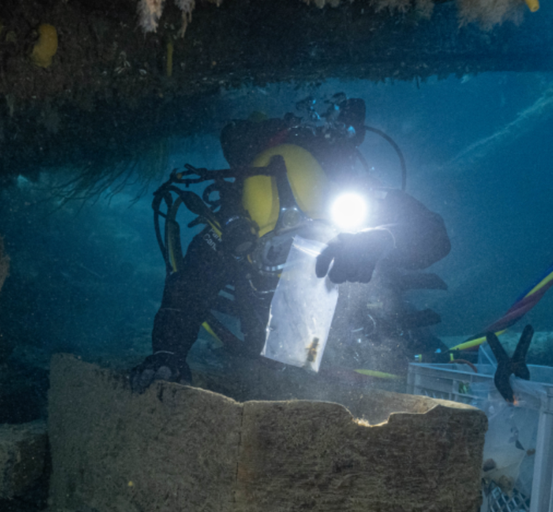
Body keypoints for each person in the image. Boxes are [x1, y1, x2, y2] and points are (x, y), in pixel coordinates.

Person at [129, 96, 451, 393]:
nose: (295, 262)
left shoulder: (359, 206)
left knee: (418, 344)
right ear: (250, 231)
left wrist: (383, 238)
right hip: (266, 351)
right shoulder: (230, 231)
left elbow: (435, 237)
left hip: (364, 331)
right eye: (277, 250)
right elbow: (186, 295)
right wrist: (168, 354)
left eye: (310, 240)